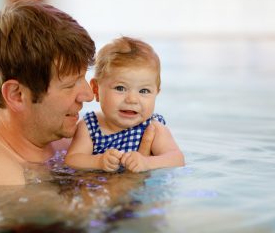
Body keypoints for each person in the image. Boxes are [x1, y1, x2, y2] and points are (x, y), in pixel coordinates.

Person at [0, 0, 155, 186]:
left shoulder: (73, 140)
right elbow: (64, 217)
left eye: (83, 78)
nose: (88, 95)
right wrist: (130, 183)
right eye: (70, 85)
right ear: (17, 95)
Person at [65, 36, 185, 173]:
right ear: (96, 89)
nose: (132, 99)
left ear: (156, 93)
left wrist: (147, 162)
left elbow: (177, 158)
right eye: (120, 88)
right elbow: (72, 159)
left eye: (144, 91)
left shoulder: (152, 127)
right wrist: (98, 161)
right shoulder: (89, 126)